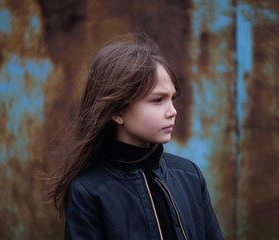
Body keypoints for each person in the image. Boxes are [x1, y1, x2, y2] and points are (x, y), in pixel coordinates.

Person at [49, 33, 223, 240]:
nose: (173, 111)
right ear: (117, 112)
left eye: (172, 98)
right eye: (158, 100)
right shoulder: (89, 191)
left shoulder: (189, 175)